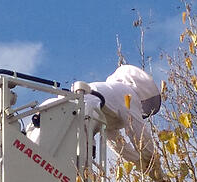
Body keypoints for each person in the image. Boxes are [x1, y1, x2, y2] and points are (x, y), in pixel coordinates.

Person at [27, 65, 161, 172]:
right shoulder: (128, 95)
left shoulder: (110, 95)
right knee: (73, 175)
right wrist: (154, 165)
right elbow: (139, 134)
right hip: (75, 122)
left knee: (31, 159)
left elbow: (116, 141)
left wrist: (139, 162)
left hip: (53, 112)